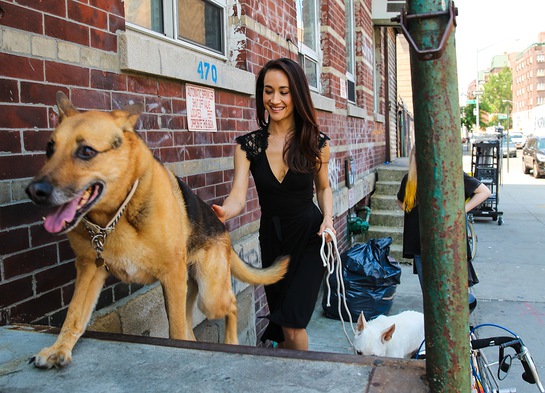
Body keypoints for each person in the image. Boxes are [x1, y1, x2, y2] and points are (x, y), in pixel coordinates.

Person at [212, 58, 335, 351]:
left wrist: (328, 218)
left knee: (293, 323)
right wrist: (225, 212)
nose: (275, 99)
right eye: (268, 91)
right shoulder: (247, 146)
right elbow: (238, 196)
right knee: (283, 328)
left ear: (297, 94)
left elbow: (324, 187)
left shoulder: (315, 142)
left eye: (284, 91)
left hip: (310, 238)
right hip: (273, 240)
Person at [397, 147, 491, 289]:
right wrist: (460, 212)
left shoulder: (413, 179)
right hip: (444, 243)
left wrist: (460, 212)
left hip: (431, 244)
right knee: (451, 292)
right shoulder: (446, 175)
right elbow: (484, 191)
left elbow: (401, 203)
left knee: (433, 293)